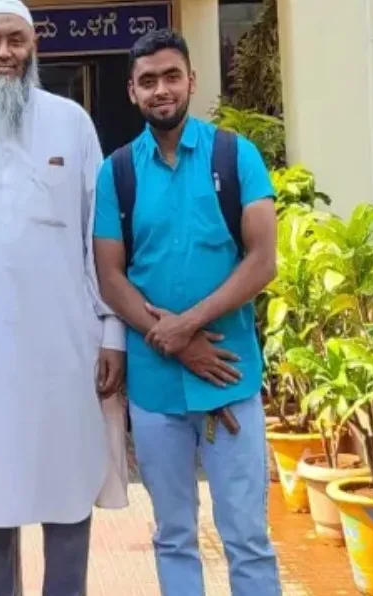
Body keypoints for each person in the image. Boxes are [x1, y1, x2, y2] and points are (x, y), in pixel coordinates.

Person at [0, 0, 126, 593]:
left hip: (64, 349)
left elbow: (99, 237)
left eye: (15, 40)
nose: (3, 53)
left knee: (65, 491)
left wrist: (112, 329)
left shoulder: (72, 122)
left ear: (34, 48)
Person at [92, 29, 282, 596]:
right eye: (148, 81)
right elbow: (110, 276)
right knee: (173, 534)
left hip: (229, 378)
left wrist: (186, 324)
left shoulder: (234, 154)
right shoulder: (117, 172)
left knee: (246, 535)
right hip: (156, 392)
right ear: (132, 91)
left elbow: (262, 260)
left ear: (192, 81)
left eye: (171, 76)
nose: (161, 89)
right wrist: (171, 338)